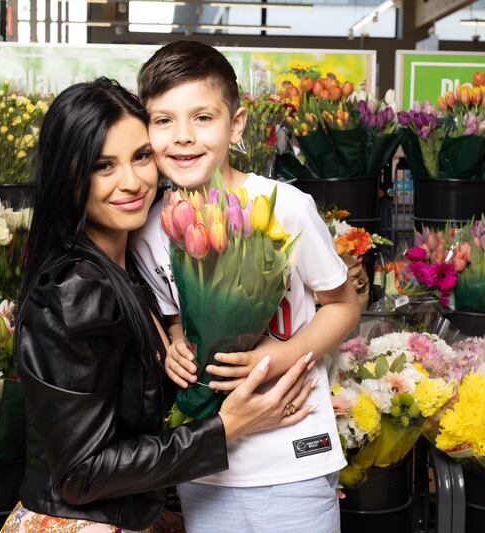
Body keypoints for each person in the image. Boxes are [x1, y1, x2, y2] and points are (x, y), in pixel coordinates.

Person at [4, 77, 317, 533]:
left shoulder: (131, 267)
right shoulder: (74, 291)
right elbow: (79, 474)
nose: (131, 182)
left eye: (141, 156)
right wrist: (226, 429)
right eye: (103, 165)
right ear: (68, 175)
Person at [131, 41, 361, 533]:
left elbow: (343, 306)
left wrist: (276, 358)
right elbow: (175, 318)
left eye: (202, 117)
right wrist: (171, 341)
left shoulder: (286, 207)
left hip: (294, 453)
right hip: (206, 461)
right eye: (163, 120)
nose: (183, 137)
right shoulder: (150, 230)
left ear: (236, 125)